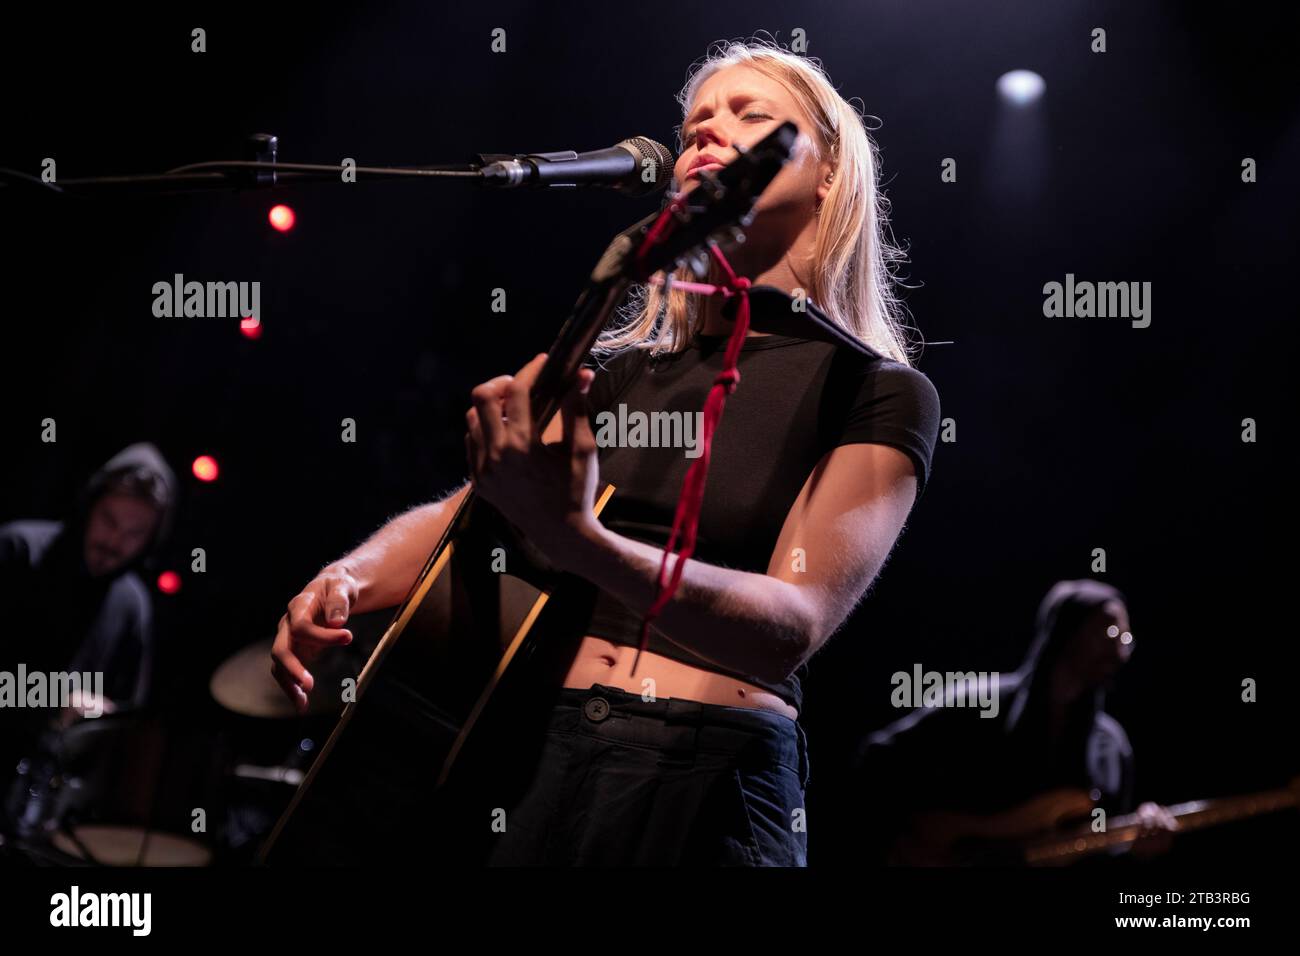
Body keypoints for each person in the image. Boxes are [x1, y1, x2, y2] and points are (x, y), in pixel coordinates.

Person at [272, 39, 941, 866]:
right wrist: (349, 577)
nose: (706, 135)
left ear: (830, 173)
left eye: (750, 116)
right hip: (531, 755)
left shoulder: (874, 388)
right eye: (694, 125)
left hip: (711, 773)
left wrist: (581, 545)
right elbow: (472, 515)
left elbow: (790, 627)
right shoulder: (621, 371)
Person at [857, 579, 1179, 864]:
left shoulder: (1112, 747)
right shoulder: (979, 703)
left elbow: (1100, 846)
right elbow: (879, 760)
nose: (1120, 651)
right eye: (1110, 632)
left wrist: (1138, 845)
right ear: (1066, 631)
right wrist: (912, 841)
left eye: (1126, 638)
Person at [0, 442, 176, 822]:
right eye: (109, 521)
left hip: (45, 798)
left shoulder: (133, 604)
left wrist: (102, 715)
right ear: (90, 506)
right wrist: (54, 698)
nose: (115, 542)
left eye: (135, 532)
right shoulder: (17, 549)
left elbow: (126, 717)